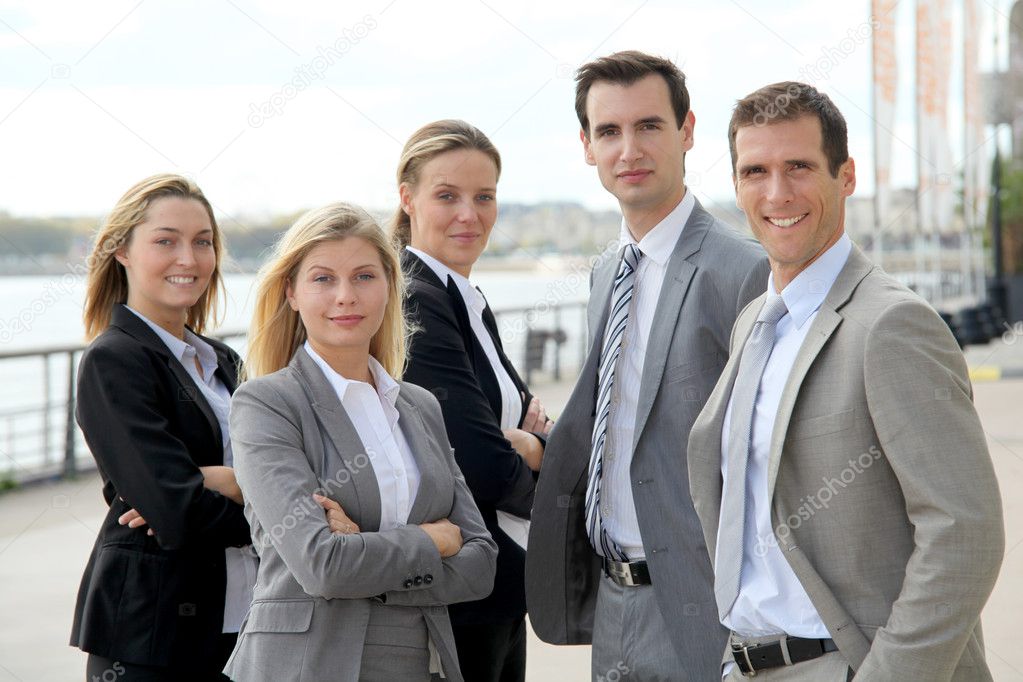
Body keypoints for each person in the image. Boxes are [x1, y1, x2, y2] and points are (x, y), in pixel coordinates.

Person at [687, 81, 1005, 680]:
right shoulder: (754, 322)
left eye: (799, 166)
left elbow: (965, 534)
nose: (776, 193)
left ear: (847, 176)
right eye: (755, 171)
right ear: (735, 185)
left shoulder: (891, 325)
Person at [525, 51, 769, 680]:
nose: (628, 148)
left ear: (687, 133)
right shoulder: (609, 272)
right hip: (612, 600)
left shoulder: (743, 272)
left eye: (650, 126)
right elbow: (625, 414)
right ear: (587, 146)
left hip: (700, 602)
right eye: (609, 131)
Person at [224, 202, 497, 681]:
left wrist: (365, 555)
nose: (346, 296)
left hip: (420, 664)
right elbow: (323, 567)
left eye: (365, 276)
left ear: (390, 287)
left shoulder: (419, 406)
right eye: (323, 279)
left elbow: (480, 564)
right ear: (291, 292)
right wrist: (431, 541)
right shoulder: (266, 405)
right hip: (309, 666)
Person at [71, 174, 256, 681]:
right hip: (152, 634)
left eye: (203, 242)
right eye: (165, 241)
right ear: (121, 251)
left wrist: (234, 482)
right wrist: (279, 515)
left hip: (242, 623)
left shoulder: (223, 359)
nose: (189, 259)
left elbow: (290, 466)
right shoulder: (114, 360)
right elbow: (176, 508)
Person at [390, 119, 552, 682]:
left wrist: (531, 443)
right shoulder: (416, 299)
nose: (470, 214)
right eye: (447, 196)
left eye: (484, 196)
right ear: (407, 198)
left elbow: (532, 426)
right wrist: (536, 456)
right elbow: (477, 462)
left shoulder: (464, 298)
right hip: (457, 592)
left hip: (498, 587)